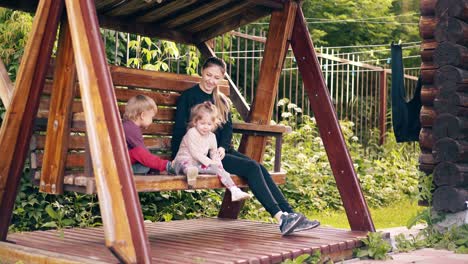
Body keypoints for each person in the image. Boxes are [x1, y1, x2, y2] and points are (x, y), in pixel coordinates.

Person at [172, 57, 320, 235]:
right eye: (208, 75)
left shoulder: (221, 100)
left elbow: (227, 128)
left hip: (219, 152)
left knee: (259, 168)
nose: (211, 80)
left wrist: (223, 148)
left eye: (216, 77)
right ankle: (280, 218)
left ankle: (290, 213)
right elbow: (180, 129)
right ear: (202, 72)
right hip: (201, 156)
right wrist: (176, 160)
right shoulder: (188, 97)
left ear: (222, 78)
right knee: (251, 168)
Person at [172, 101, 252, 202]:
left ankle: (234, 190)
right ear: (195, 122)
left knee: (221, 170)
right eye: (202, 123)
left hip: (197, 166)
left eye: (209, 124)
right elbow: (195, 154)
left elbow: (214, 154)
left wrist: (219, 167)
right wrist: (211, 162)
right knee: (187, 164)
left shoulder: (212, 137)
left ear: (214, 125)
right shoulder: (192, 133)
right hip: (181, 163)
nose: (206, 127)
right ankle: (190, 174)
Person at [123, 94, 173, 175]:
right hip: (121, 166)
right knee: (139, 153)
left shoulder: (129, 126)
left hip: (124, 163)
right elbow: (142, 153)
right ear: (142, 115)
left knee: (144, 164)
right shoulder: (131, 128)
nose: (152, 120)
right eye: (151, 117)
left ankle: (159, 168)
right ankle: (166, 166)